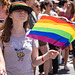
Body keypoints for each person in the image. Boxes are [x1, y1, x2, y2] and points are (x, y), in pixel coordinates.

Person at [0, 1, 59, 75]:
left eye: (25, 11)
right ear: (10, 15)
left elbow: (34, 62)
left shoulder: (32, 35)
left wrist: (47, 55)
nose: (23, 13)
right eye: (18, 10)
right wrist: (1, 66)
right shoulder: (2, 35)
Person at [58, 1, 75, 71]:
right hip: (61, 32)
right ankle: (57, 61)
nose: (68, 6)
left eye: (70, 5)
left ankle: (65, 64)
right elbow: (56, 20)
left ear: (72, 7)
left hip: (70, 33)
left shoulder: (73, 14)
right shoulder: (61, 13)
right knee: (58, 48)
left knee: (67, 48)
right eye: (67, 5)